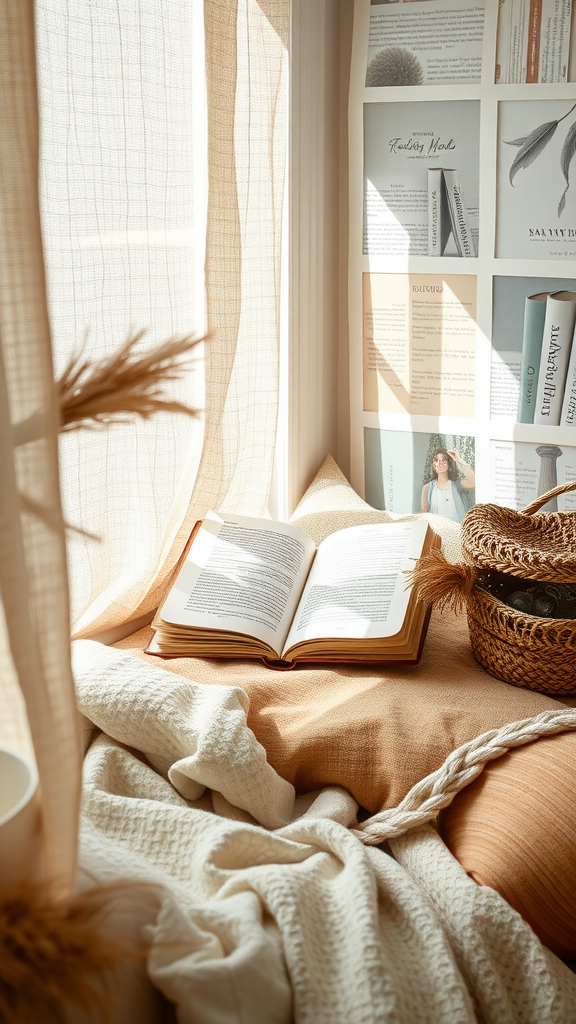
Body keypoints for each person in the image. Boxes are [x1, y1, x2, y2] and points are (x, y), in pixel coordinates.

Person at [420, 448, 475, 524]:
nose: (440, 463)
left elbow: (473, 482)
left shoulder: (456, 484)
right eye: (437, 461)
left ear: (449, 464)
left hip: (457, 531)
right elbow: (424, 512)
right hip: (437, 533)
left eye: (444, 460)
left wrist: (458, 460)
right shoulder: (427, 488)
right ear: (433, 465)